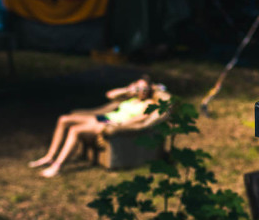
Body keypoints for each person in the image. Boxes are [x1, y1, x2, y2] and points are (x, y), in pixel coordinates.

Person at [29, 76, 163, 178]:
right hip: (106, 117)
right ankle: (49, 156)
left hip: (113, 123)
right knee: (64, 119)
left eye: (145, 88)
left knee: (75, 130)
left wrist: (121, 125)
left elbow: (142, 118)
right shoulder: (130, 97)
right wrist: (129, 89)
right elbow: (110, 95)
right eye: (139, 87)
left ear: (150, 89)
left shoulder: (148, 103)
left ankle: (57, 166)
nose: (142, 91)